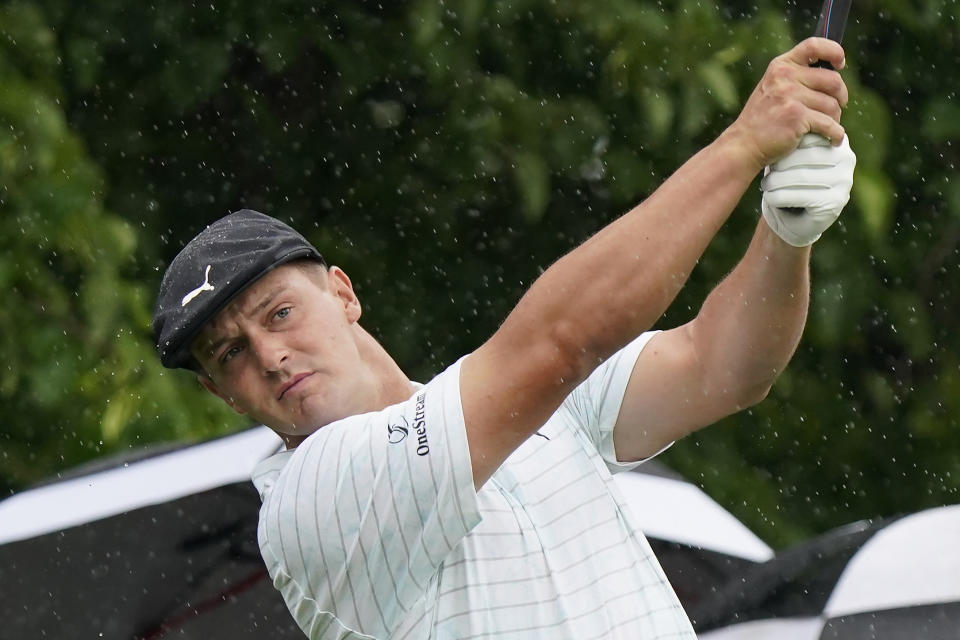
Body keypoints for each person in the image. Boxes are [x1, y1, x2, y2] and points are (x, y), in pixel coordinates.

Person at [153, 37, 855, 640]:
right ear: (223, 395)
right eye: (231, 353)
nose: (270, 356)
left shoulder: (501, 404)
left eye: (278, 314)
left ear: (343, 294)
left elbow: (724, 366)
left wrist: (786, 231)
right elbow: (559, 343)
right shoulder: (314, 496)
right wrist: (741, 145)